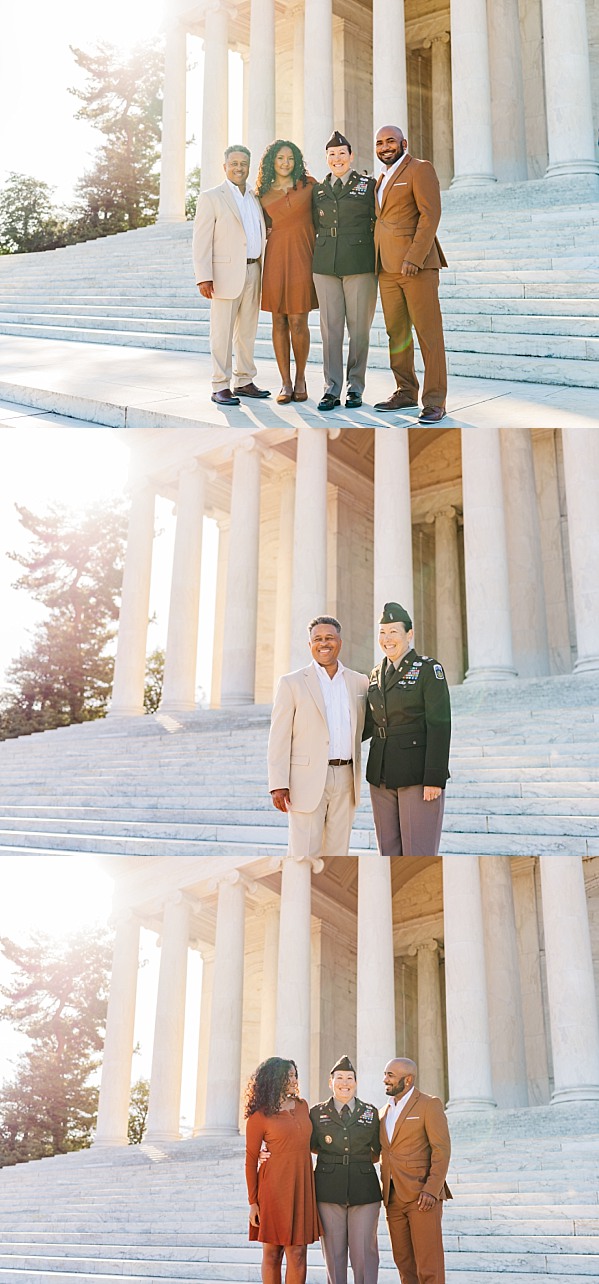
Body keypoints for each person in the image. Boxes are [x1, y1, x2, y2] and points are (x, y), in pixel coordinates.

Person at [268, 615, 368, 858]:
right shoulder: (291, 683)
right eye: (318, 639)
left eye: (329, 638)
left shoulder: (360, 682)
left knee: (337, 854)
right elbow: (279, 736)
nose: (324, 643)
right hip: (305, 780)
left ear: (340, 643)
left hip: (346, 778)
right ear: (310, 645)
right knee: (303, 855)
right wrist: (278, 784)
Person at [373, 125, 447, 425]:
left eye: (390, 141)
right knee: (397, 334)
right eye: (379, 142)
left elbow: (430, 215)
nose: (385, 146)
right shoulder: (379, 178)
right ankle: (405, 391)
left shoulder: (420, 169)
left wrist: (414, 257)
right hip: (386, 269)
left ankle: (434, 400)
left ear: (404, 142)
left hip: (416, 266)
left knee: (428, 334)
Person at [364, 603, 451, 857]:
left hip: (417, 774)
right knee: (387, 852)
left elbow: (440, 724)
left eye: (393, 631)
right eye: (382, 632)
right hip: (380, 775)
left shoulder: (428, 669)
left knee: (418, 852)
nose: (387, 639)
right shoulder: (375, 673)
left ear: (409, 634)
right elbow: (369, 722)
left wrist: (434, 777)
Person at [193, 143, 271, 407]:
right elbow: (201, 240)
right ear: (225, 166)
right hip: (224, 274)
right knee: (222, 333)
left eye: (243, 164)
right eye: (234, 163)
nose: (239, 168)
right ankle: (220, 384)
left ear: (249, 167)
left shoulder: (255, 196)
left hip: (254, 270)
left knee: (247, 332)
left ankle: (245, 380)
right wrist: (204, 276)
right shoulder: (211, 196)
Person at [312, 131, 378, 410]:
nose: (337, 159)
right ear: (326, 159)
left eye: (342, 154)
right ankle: (331, 388)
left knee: (359, 329)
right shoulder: (318, 190)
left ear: (351, 156)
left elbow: (377, 220)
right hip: (326, 264)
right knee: (330, 331)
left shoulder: (368, 185)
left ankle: (355, 387)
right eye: (331, 154)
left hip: (359, 263)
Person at [245, 1057, 320, 1284]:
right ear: (273, 1079)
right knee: (272, 1253)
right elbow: (250, 1160)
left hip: (302, 1187)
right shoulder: (260, 1116)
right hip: (273, 1189)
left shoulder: (302, 1106)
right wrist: (253, 1203)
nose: (293, 1080)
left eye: (294, 1075)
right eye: (288, 1076)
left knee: (298, 1253)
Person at [310, 1055, 381, 1284]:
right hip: (328, 1190)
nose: (345, 1082)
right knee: (333, 1253)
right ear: (330, 1083)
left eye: (350, 1078)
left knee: (364, 1254)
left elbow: (378, 1150)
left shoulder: (370, 1113)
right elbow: (310, 1145)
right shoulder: (316, 1113)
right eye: (339, 1078)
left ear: (356, 1083)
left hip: (364, 1190)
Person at [256, 140, 318, 404]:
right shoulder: (262, 193)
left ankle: (301, 377)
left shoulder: (309, 185)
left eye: (290, 158)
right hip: (276, 257)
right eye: (280, 158)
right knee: (278, 320)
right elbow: (260, 225)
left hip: (303, 256)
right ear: (272, 161)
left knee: (298, 321)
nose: (285, 163)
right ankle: (285, 381)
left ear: (297, 161)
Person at [380, 1058, 451, 1284]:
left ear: (408, 1080)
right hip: (392, 1198)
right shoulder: (384, 1111)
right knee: (405, 1266)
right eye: (385, 1074)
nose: (385, 1080)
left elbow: (441, 1149)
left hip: (422, 1197)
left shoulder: (429, 1104)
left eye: (391, 1075)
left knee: (429, 1267)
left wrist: (431, 1190)